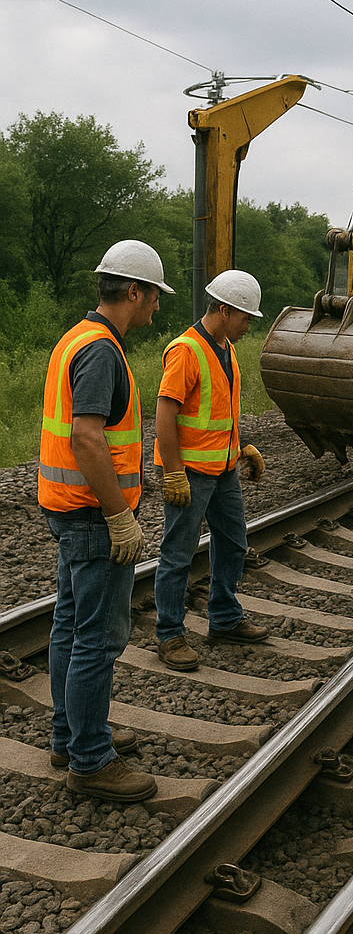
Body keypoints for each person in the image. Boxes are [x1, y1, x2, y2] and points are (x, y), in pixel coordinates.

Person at [38, 239, 174, 802]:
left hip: (68, 508)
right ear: (134, 291)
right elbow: (88, 437)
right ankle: (92, 761)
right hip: (95, 516)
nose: (157, 309)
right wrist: (121, 517)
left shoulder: (77, 336)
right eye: (154, 298)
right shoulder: (100, 351)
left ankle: (69, 736)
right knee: (99, 638)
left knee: (70, 626)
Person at [153, 270, 269, 670]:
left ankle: (223, 617)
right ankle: (169, 634)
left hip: (223, 469)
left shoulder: (227, 348)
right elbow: (165, 414)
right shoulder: (186, 350)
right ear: (224, 309)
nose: (249, 325)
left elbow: (221, 410)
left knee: (234, 543)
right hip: (190, 473)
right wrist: (172, 472)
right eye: (245, 317)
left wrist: (242, 448)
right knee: (178, 554)